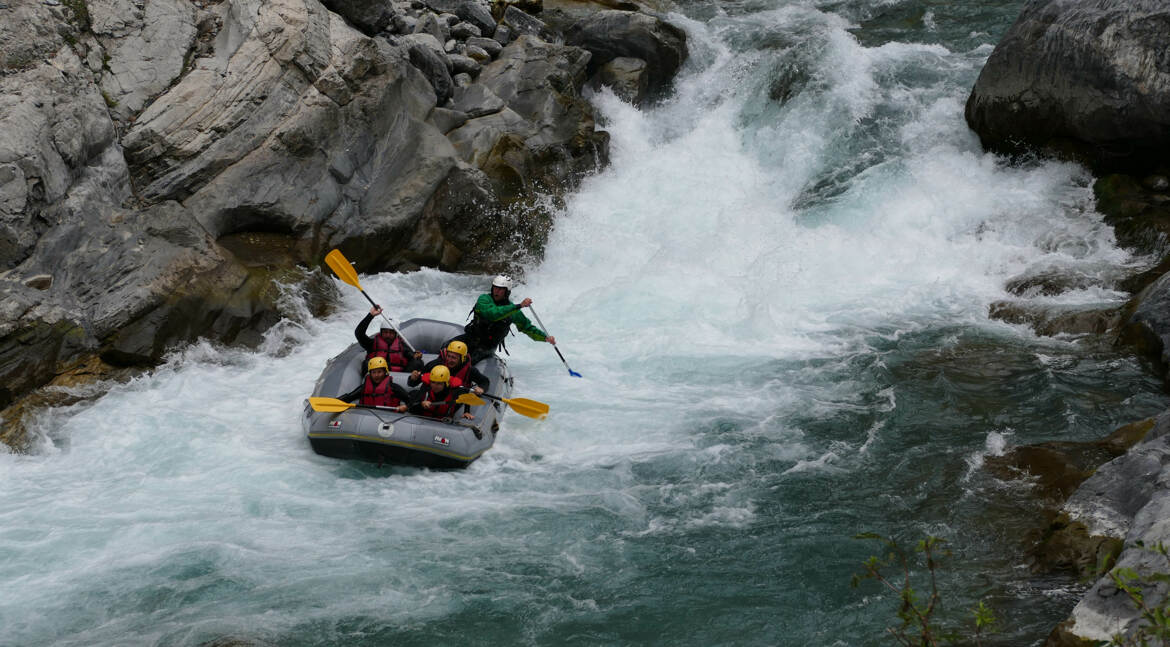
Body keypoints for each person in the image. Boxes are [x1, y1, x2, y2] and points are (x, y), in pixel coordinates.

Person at [449, 275, 556, 363]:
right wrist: (518, 306)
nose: (497, 291)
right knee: (447, 348)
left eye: (501, 289)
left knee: (468, 361)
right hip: (471, 337)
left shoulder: (514, 312)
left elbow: (527, 327)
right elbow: (493, 314)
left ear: (507, 292)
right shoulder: (484, 299)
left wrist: (545, 338)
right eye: (495, 288)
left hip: (487, 346)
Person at [355, 306, 423, 374]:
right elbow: (359, 333)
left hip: (399, 378)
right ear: (381, 333)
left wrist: (416, 356)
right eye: (385, 332)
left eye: (391, 333)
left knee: (417, 362)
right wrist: (371, 315)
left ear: (396, 334)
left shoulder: (401, 345)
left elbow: (410, 355)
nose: (388, 335)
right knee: (366, 363)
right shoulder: (372, 344)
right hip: (377, 377)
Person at [407, 340, 489, 394]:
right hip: (432, 400)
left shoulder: (470, 370)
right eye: (449, 356)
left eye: (454, 358)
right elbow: (412, 384)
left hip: (453, 402)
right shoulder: (435, 365)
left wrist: (481, 388)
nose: (450, 360)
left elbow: (485, 381)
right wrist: (413, 378)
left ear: (462, 359)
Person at [339, 357, 410, 412]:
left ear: (385, 372)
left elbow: (410, 400)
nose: (376, 375)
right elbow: (350, 397)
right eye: (373, 372)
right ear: (370, 374)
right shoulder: (364, 387)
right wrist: (337, 401)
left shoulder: (393, 387)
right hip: (366, 417)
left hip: (388, 418)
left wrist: (406, 407)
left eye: (379, 372)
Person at [409, 365, 474, 420]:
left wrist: (466, 411)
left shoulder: (455, 390)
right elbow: (413, 405)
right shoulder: (426, 386)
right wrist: (421, 404)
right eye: (433, 382)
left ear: (446, 384)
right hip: (424, 419)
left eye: (439, 384)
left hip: (443, 423)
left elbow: (467, 395)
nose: (435, 386)